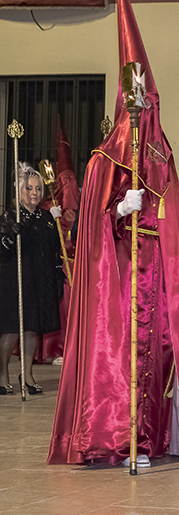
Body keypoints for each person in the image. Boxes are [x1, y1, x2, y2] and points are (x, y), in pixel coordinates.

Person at [49, 0, 179, 467]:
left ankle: (150, 437)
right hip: (119, 273)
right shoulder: (102, 161)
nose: (145, 113)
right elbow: (90, 227)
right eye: (138, 105)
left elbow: (173, 212)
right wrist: (117, 209)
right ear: (125, 104)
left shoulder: (161, 155)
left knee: (157, 356)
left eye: (150, 104)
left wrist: (159, 222)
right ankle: (115, 435)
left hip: (156, 272)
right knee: (120, 355)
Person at [0, 163, 65, 395]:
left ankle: (27, 375)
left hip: (39, 280)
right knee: (10, 330)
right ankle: (2, 375)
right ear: (19, 191)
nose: (35, 193)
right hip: (14, 280)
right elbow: (1, 249)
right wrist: (11, 235)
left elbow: (54, 250)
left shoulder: (47, 218)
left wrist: (58, 275)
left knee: (32, 329)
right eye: (29, 188)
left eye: (38, 188)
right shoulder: (10, 216)